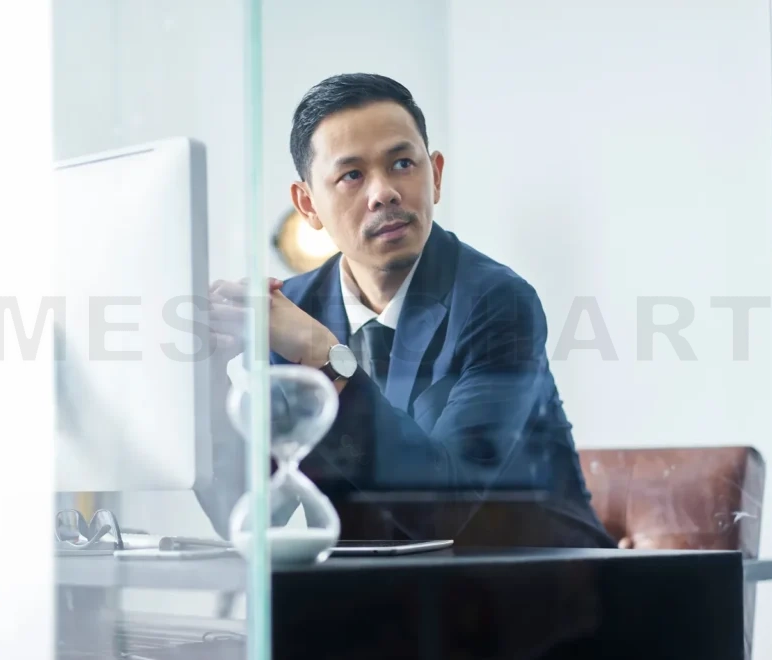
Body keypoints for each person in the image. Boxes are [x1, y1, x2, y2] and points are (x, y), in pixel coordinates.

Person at [198, 73, 615, 549]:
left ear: (435, 175)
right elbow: (247, 510)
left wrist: (323, 353)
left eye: (401, 163)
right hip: (384, 601)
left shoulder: (498, 302)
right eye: (352, 175)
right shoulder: (295, 308)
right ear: (307, 203)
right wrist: (209, 376)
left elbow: (442, 511)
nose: (384, 193)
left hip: (538, 595)